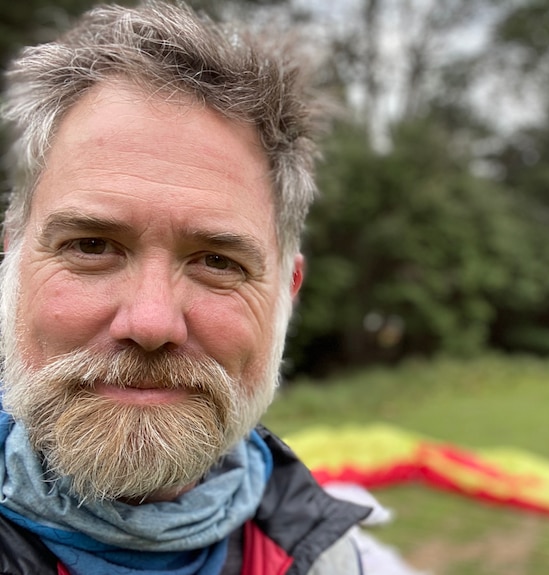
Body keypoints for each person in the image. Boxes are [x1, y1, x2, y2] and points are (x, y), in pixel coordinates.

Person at [0, 1, 371, 573]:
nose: (150, 323)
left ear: (286, 293)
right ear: (12, 261)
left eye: (217, 262)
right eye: (92, 246)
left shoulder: (327, 558)